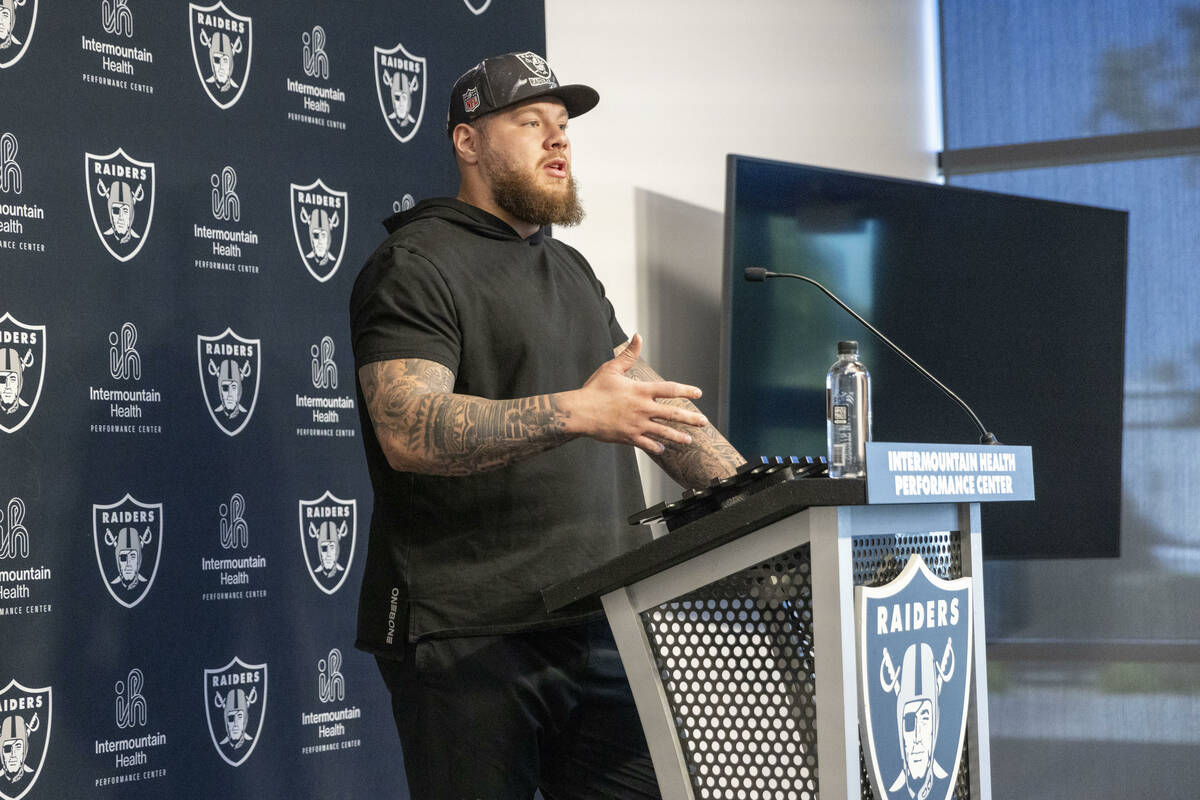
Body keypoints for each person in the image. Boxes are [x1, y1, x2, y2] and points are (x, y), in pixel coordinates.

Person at [350, 51, 744, 799]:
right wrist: (577, 411)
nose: (557, 140)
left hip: (601, 619)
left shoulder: (571, 269)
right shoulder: (414, 263)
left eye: (562, 126)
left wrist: (765, 494)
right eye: (529, 122)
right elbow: (410, 429)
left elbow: (654, 409)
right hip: (472, 635)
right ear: (467, 142)